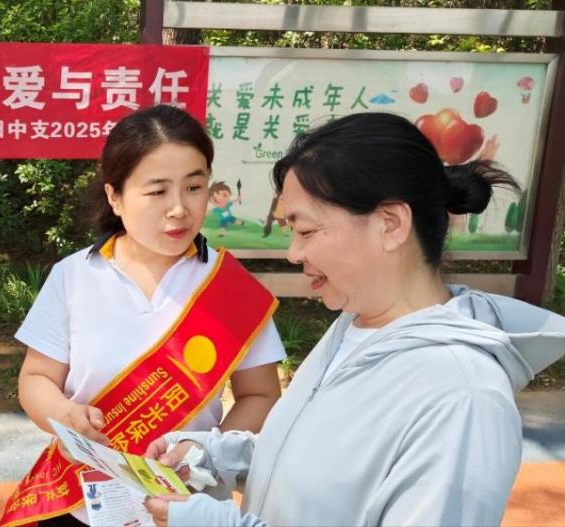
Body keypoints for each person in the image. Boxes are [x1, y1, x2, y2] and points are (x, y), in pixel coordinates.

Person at [142, 112, 565, 527]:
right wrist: (216, 455)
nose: (293, 253)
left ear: (390, 224)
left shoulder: (463, 398)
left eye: (306, 231)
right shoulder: (353, 328)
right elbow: (315, 461)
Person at [0, 105, 287, 527]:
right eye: (157, 192)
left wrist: (203, 451)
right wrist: (64, 415)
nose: (179, 208)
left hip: (186, 506)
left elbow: (260, 396)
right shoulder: (74, 275)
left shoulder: (230, 287)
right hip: (85, 503)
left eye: (194, 187)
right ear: (114, 196)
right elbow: (36, 378)